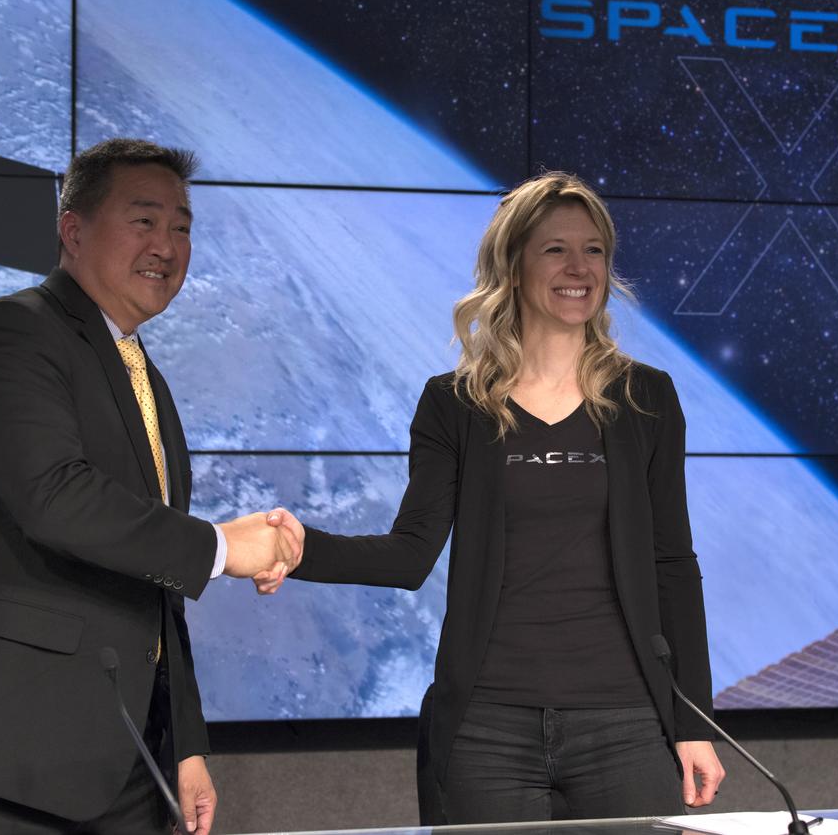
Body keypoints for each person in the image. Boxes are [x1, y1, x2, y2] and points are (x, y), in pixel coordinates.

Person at [262, 171, 725, 823]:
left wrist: (692, 721)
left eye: (593, 249)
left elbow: (673, 564)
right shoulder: (454, 404)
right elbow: (409, 552)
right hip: (486, 731)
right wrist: (300, 548)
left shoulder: (647, 397)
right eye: (554, 249)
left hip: (626, 727)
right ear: (512, 264)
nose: (578, 267)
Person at [0, 138, 299, 834]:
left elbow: (151, 579)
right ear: (72, 230)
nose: (167, 244)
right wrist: (222, 547)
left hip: (122, 770)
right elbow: (54, 496)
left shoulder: (143, 375)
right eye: (144, 219)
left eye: (182, 226)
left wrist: (184, 742)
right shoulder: (13, 332)